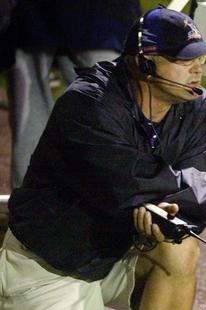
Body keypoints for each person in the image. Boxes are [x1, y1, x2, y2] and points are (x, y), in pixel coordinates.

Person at [0, 7, 206, 310]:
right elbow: (127, 180)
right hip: (51, 267)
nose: (198, 68)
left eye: (200, 57)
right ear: (144, 63)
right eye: (183, 60)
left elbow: (192, 201)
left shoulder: (198, 108)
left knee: (179, 251)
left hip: (119, 256)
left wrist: (164, 214)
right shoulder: (89, 102)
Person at [6, 0, 142, 189]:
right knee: (108, 119)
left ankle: (29, 207)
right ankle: (109, 201)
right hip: (102, 17)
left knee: (30, 118)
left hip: (32, 16)